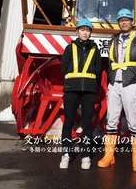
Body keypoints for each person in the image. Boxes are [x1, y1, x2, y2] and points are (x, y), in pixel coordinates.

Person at [98, 8, 136, 172]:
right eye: (121, 20)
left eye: (127, 19)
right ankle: (109, 156)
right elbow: (110, 61)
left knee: (134, 122)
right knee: (111, 121)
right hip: (114, 85)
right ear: (119, 22)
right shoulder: (113, 39)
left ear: (132, 22)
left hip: (130, 84)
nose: (124, 22)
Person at [59, 18, 101, 170]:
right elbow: (64, 67)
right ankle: (65, 154)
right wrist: (72, 82)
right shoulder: (69, 48)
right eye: (82, 29)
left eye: (88, 30)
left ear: (90, 33)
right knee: (68, 122)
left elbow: (97, 69)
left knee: (87, 124)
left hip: (89, 91)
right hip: (71, 89)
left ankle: (85, 156)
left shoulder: (95, 50)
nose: (85, 32)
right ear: (77, 31)